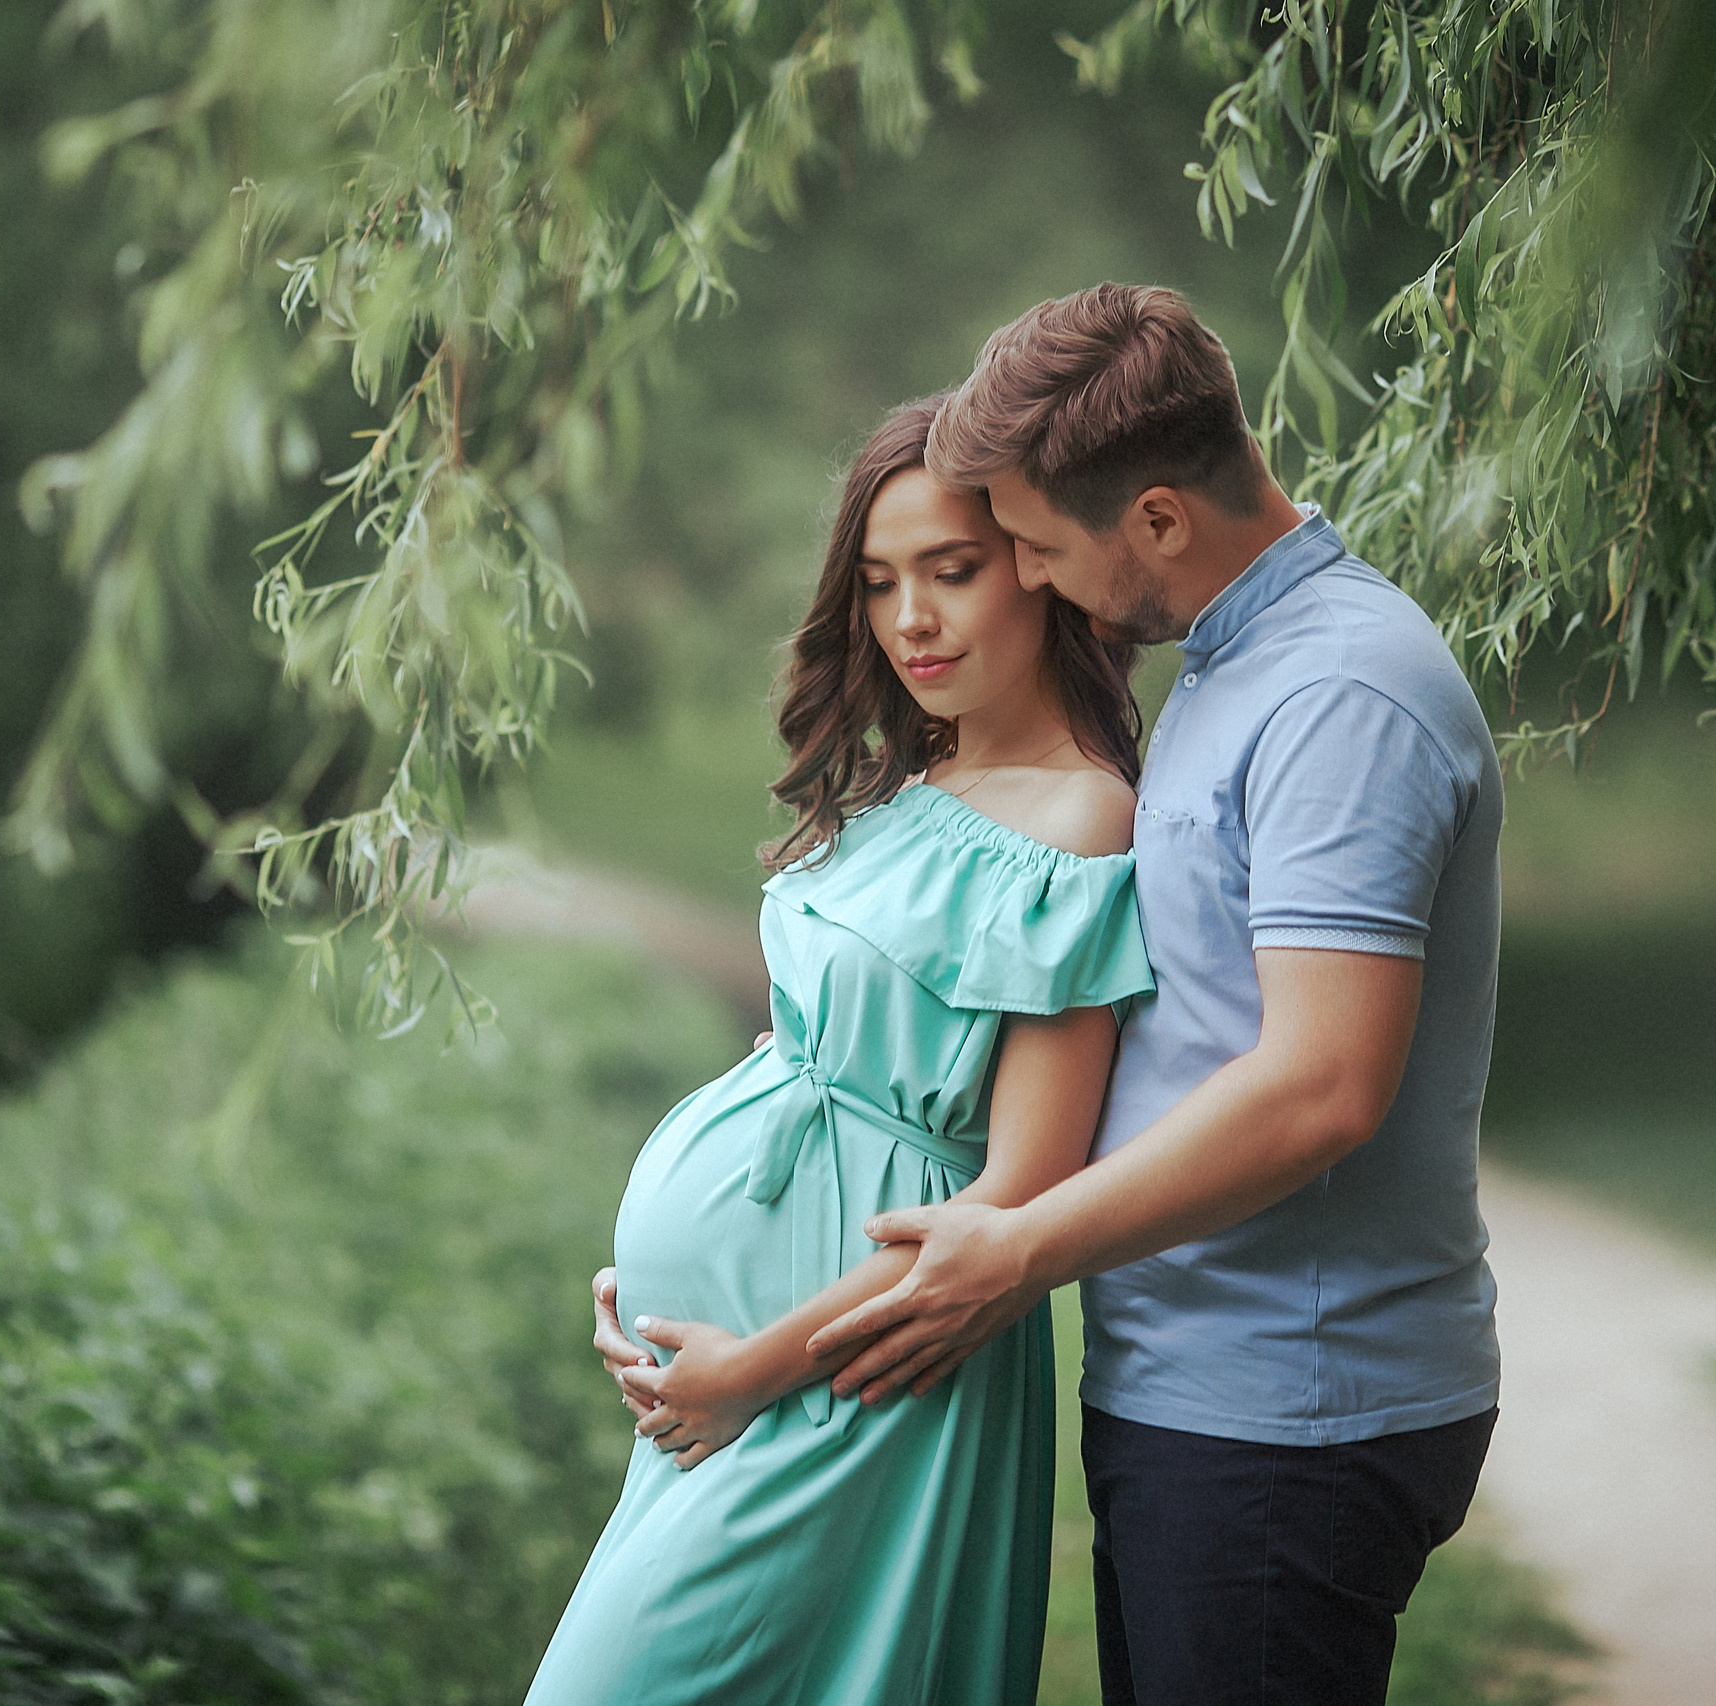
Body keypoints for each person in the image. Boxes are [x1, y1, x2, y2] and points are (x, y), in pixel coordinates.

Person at [602, 284, 1505, 1706]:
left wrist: (1016, 1247)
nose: (1025, 576)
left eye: (1025, 544)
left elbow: (1325, 1085)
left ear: (1151, 518)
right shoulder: (1233, 669)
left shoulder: (1343, 691)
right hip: (1198, 1388)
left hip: (1288, 1404)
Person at [525, 394, 1153, 1706]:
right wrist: (671, 1309)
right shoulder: (912, 787)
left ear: (1037, 565)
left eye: (949, 570)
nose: (910, 617)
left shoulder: (1080, 820)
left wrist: (754, 1364)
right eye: (879, 582)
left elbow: (1014, 1194)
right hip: (739, 1379)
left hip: (858, 1385)